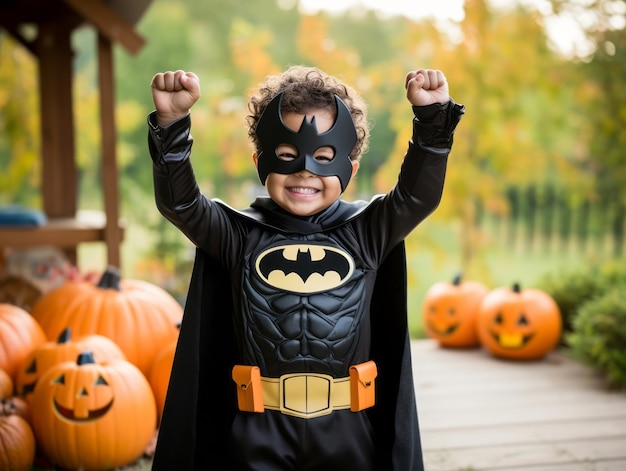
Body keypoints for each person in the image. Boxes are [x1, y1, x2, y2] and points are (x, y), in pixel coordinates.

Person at [147, 65, 464, 470]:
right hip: (259, 428)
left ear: (350, 168)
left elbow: (416, 198)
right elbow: (182, 205)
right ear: (260, 160)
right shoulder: (237, 236)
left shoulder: (366, 232)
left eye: (325, 157)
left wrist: (433, 121)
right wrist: (172, 123)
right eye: (286, 156)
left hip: (348, 427)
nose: (305, 170)